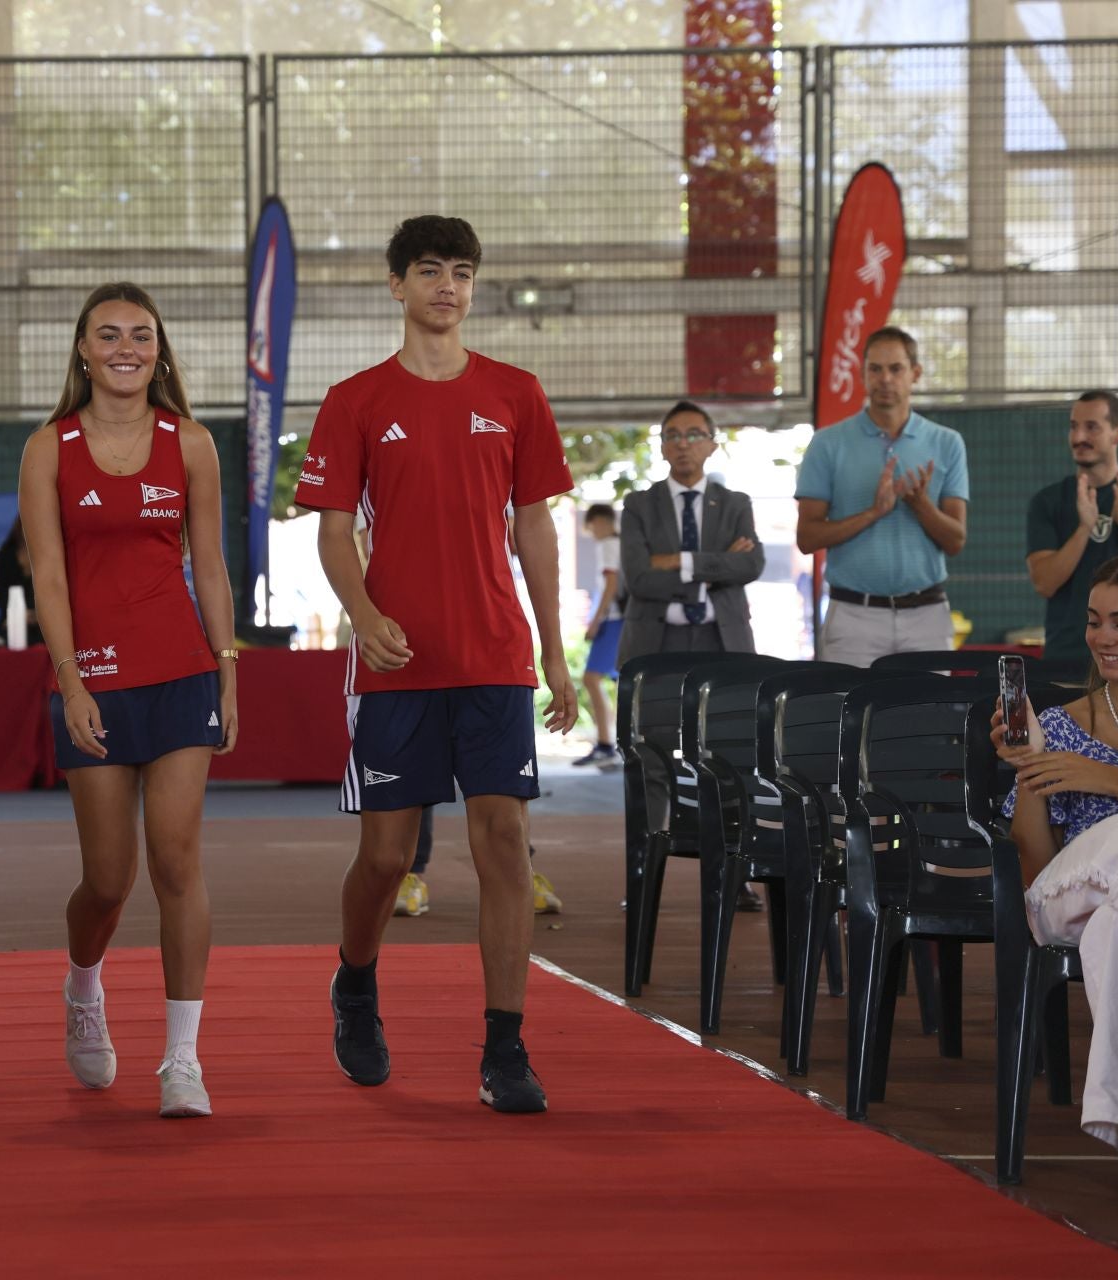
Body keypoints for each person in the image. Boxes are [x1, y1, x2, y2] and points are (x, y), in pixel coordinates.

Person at [294, 214, 576, 1114]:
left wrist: (555, 650)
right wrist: (364, 614)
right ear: (397, 286)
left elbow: (535, 527)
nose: (446, 286)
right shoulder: (355, 400)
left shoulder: (517, 393)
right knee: (385, 859)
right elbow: (333, 533)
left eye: (460, 271)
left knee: (503, 845)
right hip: (396, 665)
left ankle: (505, 1049)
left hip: (495, 657)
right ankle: (355, 982)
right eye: (427, 270)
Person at [17, 281, 239, 1119]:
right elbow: (48, 576)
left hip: (181, 672)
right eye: (107, 334)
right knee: (108, 880)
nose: (125, 348)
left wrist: (227, 667)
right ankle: (84, 985)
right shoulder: (49, 447)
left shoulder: (192, 443)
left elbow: (209, 565)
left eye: (140, 335)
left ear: (159, 350)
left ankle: (182, 1059)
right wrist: (70, 679)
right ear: (83, 348)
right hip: (97, 682)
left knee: (177, 862)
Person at [995, 551, 1118, 1207]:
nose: (1103, 637)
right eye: (1094, 621)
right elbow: (1033, 862)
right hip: (1061, 896)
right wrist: (1031, 767)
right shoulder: (1057, 727)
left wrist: (1117, 782)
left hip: (1117, 915)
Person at [794, 326, 969, 666]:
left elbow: (956, 541)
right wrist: (873, 513)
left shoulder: (947, 443)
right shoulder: (827, 443)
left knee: (930, 703)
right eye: (875, 369)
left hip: (926, 616)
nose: (885, 379)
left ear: (915, 373)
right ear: (862, 374)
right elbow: (807, 538)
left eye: (896, 369)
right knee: (850, 703)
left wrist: (921, 506)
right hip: (853, 616)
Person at [617, 402, 764, 662]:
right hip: (654, 643)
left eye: (694, 435)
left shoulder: (735, 504)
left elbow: (750, 565)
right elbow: (638, 579)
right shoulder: (638, 505)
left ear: (712, 445)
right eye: (673, 436)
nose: (683, 444)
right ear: (662, 447)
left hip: (724, 640)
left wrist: (681, 561)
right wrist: (715, 571)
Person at [1026, 391, 1118, 683]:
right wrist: (1084, 528)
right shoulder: (1049, 501)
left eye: (1091, 427)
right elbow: (1045, 583)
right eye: (1074, 426)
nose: (1078, 437)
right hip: (1067, 660)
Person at [575, 502, 622, 767]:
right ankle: (612, 742)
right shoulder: (621, 544)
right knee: (617, 682)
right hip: (619, 619)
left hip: (613, 619)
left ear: (598, 522)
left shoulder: (608, 545)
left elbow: (611, 584)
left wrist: (595, 621)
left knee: (591, 678)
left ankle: (606, 743)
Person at [0, 516, 42, 646]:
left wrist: (36, 614)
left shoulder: (47, 555)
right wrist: (18, 614)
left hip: (43, 620)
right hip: (11, 619)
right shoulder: (5, 555)